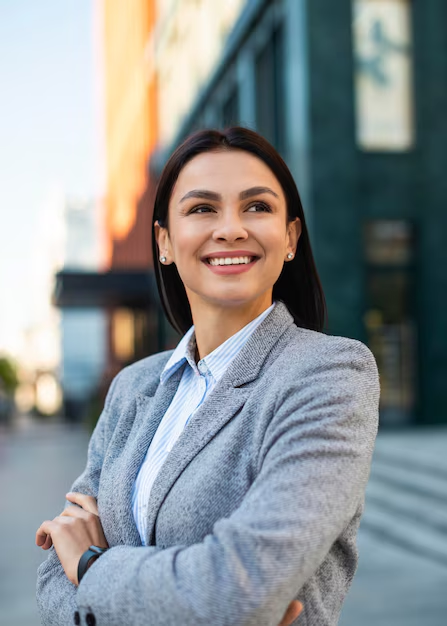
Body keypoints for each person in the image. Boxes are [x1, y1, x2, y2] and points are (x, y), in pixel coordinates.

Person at [35, 127, 380, 626]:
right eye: (202, 209)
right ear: (165, 242)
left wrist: (91, 566)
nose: (232, 229)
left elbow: (239, 590)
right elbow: (51, 576)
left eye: (257, 207)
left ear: (290, 238)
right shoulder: (133, 388)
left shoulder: (328, 374)